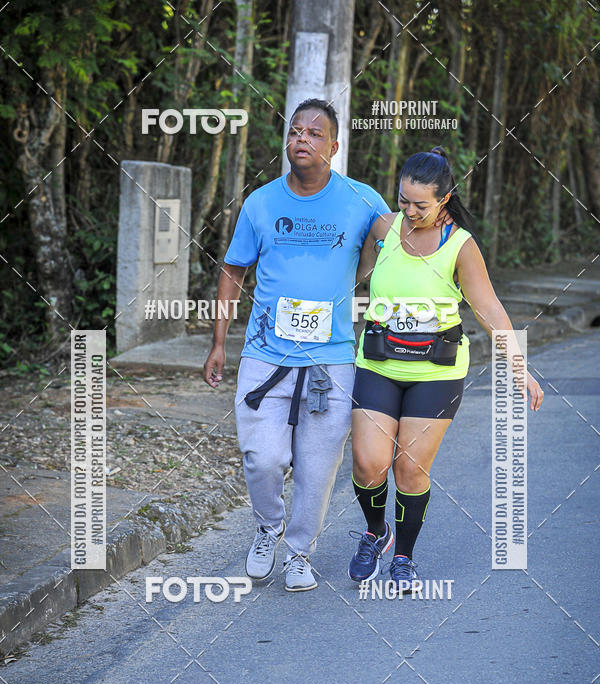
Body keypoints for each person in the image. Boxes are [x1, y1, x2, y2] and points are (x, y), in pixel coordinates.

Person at [203, 98, 390, 591]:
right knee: (261, 458)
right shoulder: (261, 203)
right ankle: (268, 528)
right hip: (265, 356)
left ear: (334, 146)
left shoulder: (362, 200)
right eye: (295, 131)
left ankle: (300, 552)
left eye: (314, 132)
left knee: (318, 469)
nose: (301, 138)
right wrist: (219, 342)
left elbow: (403, 244)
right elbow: (232, 270)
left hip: (331, 361)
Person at [348, 146, 544, 586]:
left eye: (421, 204)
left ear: (445, 198)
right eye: (403, 200)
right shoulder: (384, 228)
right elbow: (351, 276)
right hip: (379, 362)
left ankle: (403, 556)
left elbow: (489, 309)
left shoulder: (460, 245)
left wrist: (519, 367)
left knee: (409, 469)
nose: (409, 211)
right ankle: (375, 532)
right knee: (368, 464)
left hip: (436, 372)